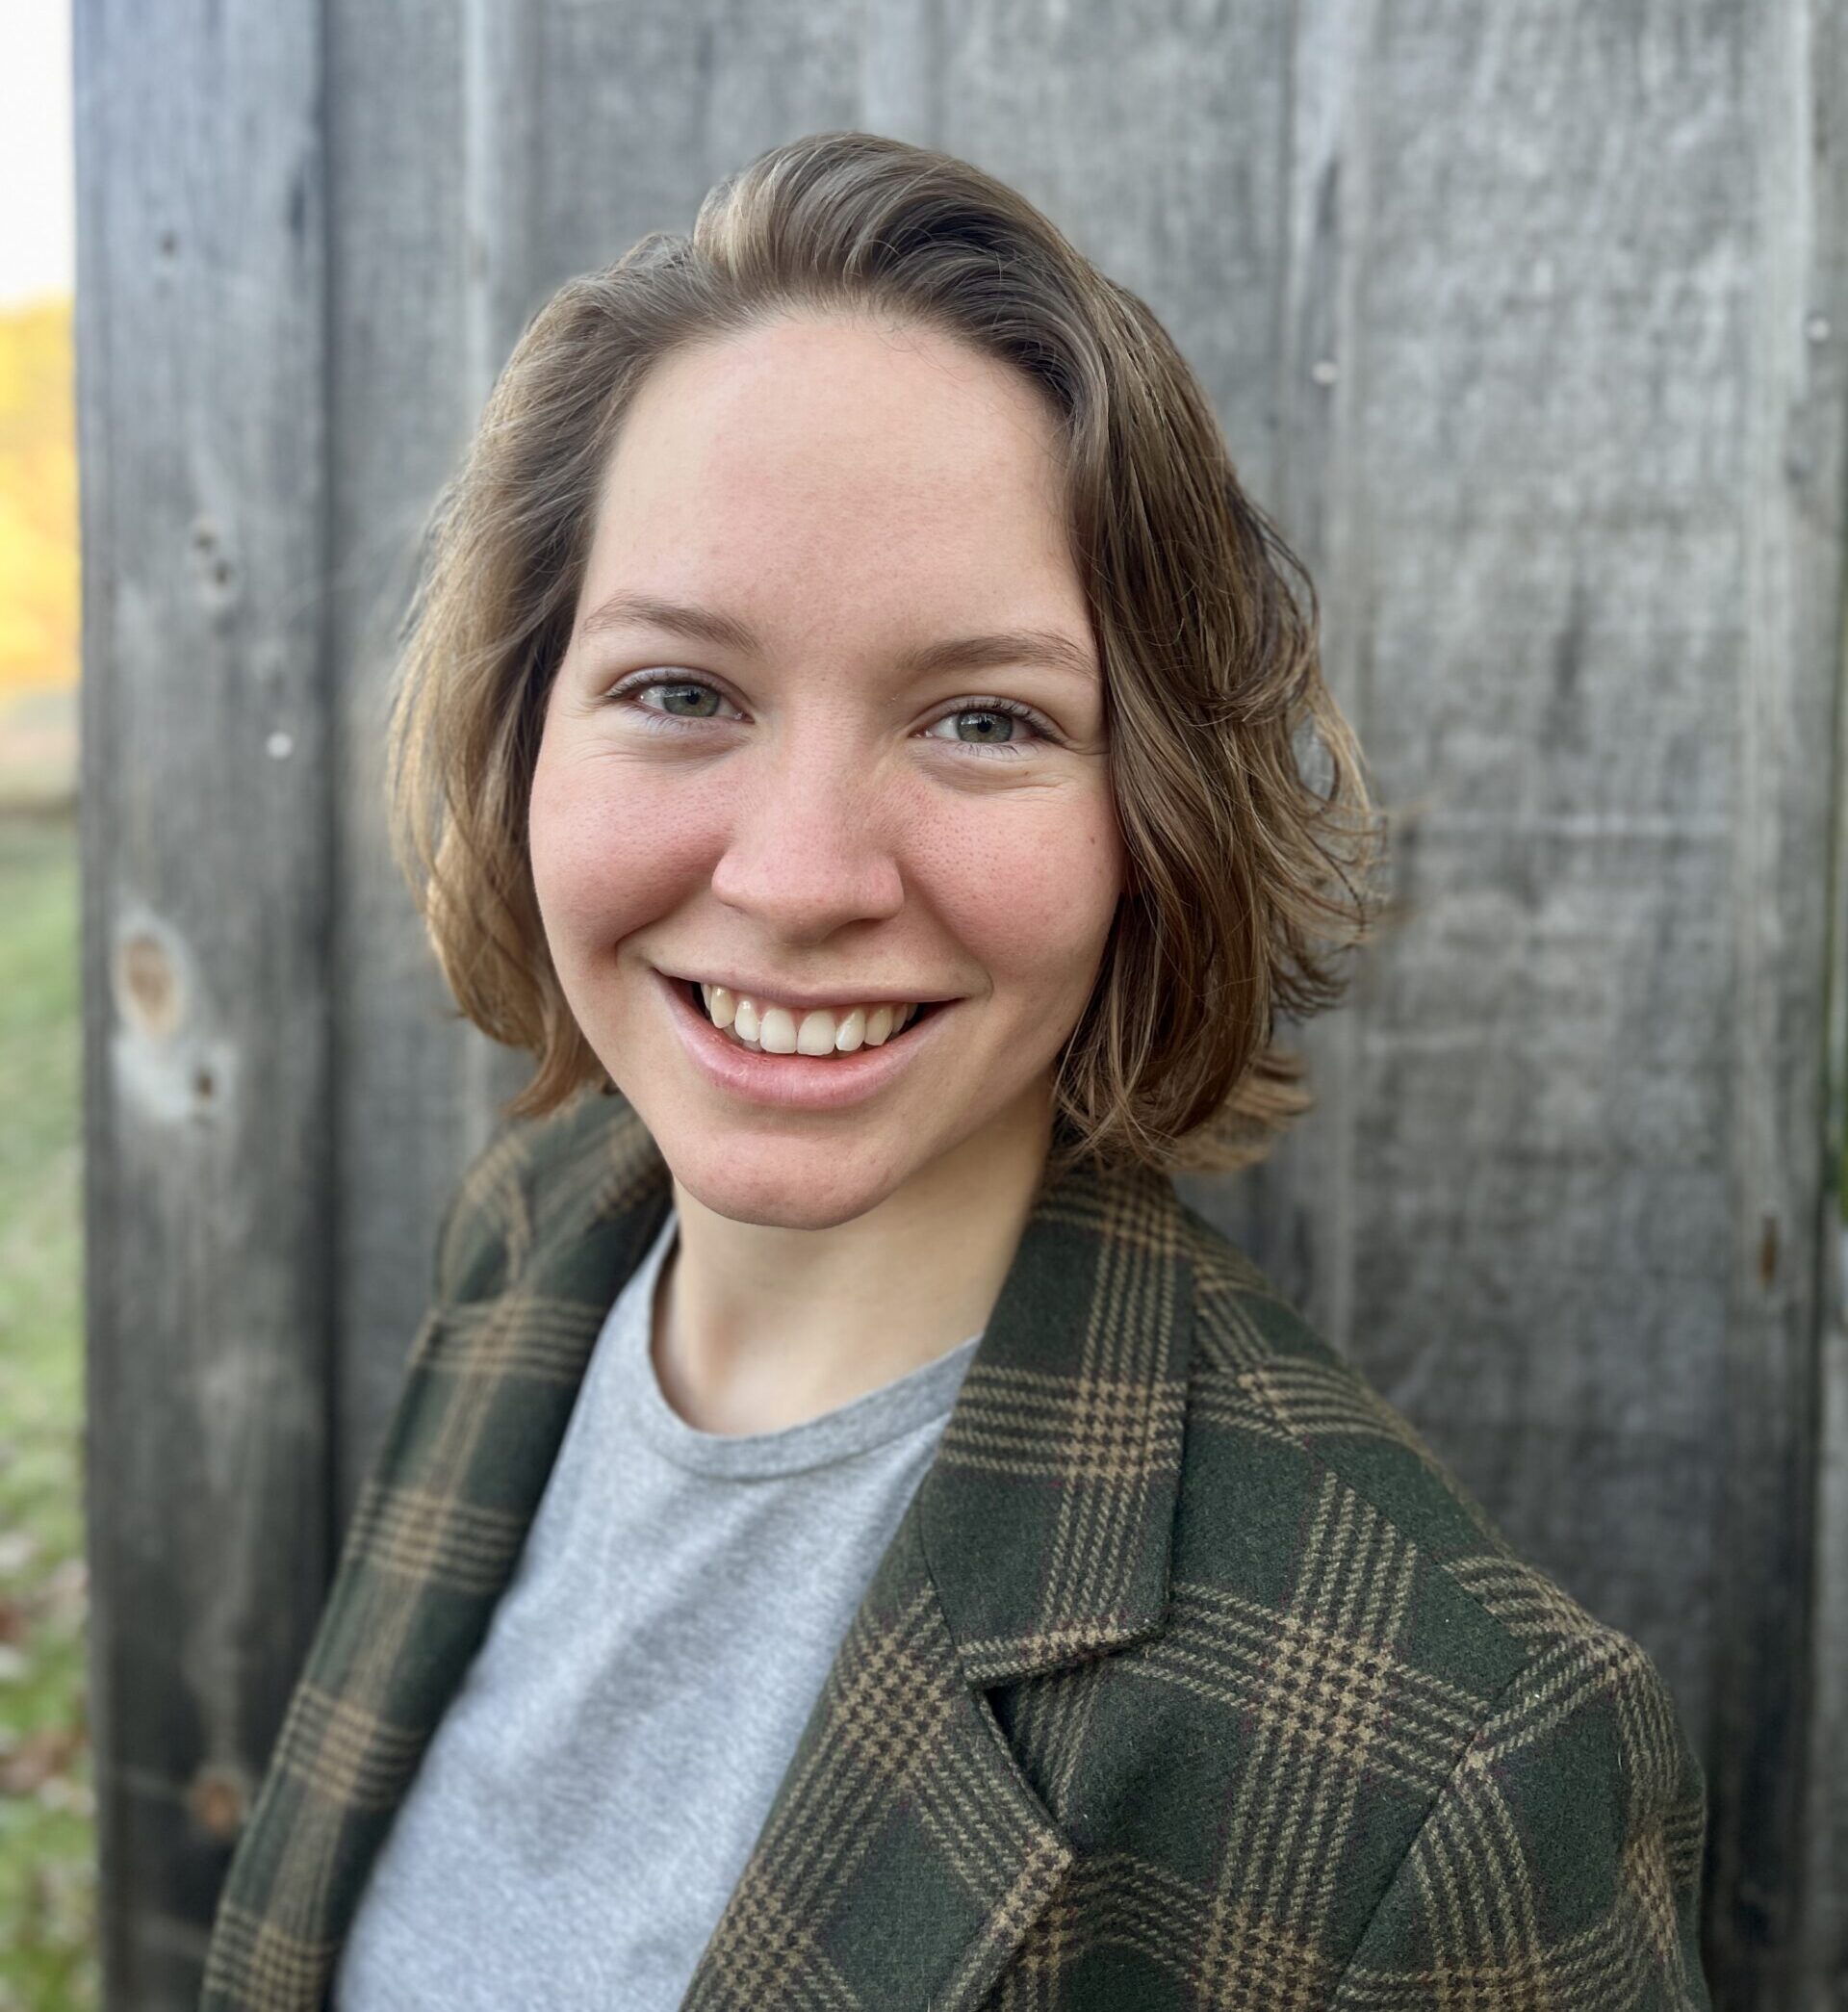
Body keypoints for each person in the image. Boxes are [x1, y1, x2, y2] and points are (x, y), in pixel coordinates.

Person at [198, 131, 1709, 2010]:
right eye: (682, 690)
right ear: (523, 732)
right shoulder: (535, 1238)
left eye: (985, 718)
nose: (802, 876)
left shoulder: (1445, 1759)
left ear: (1155, 813)